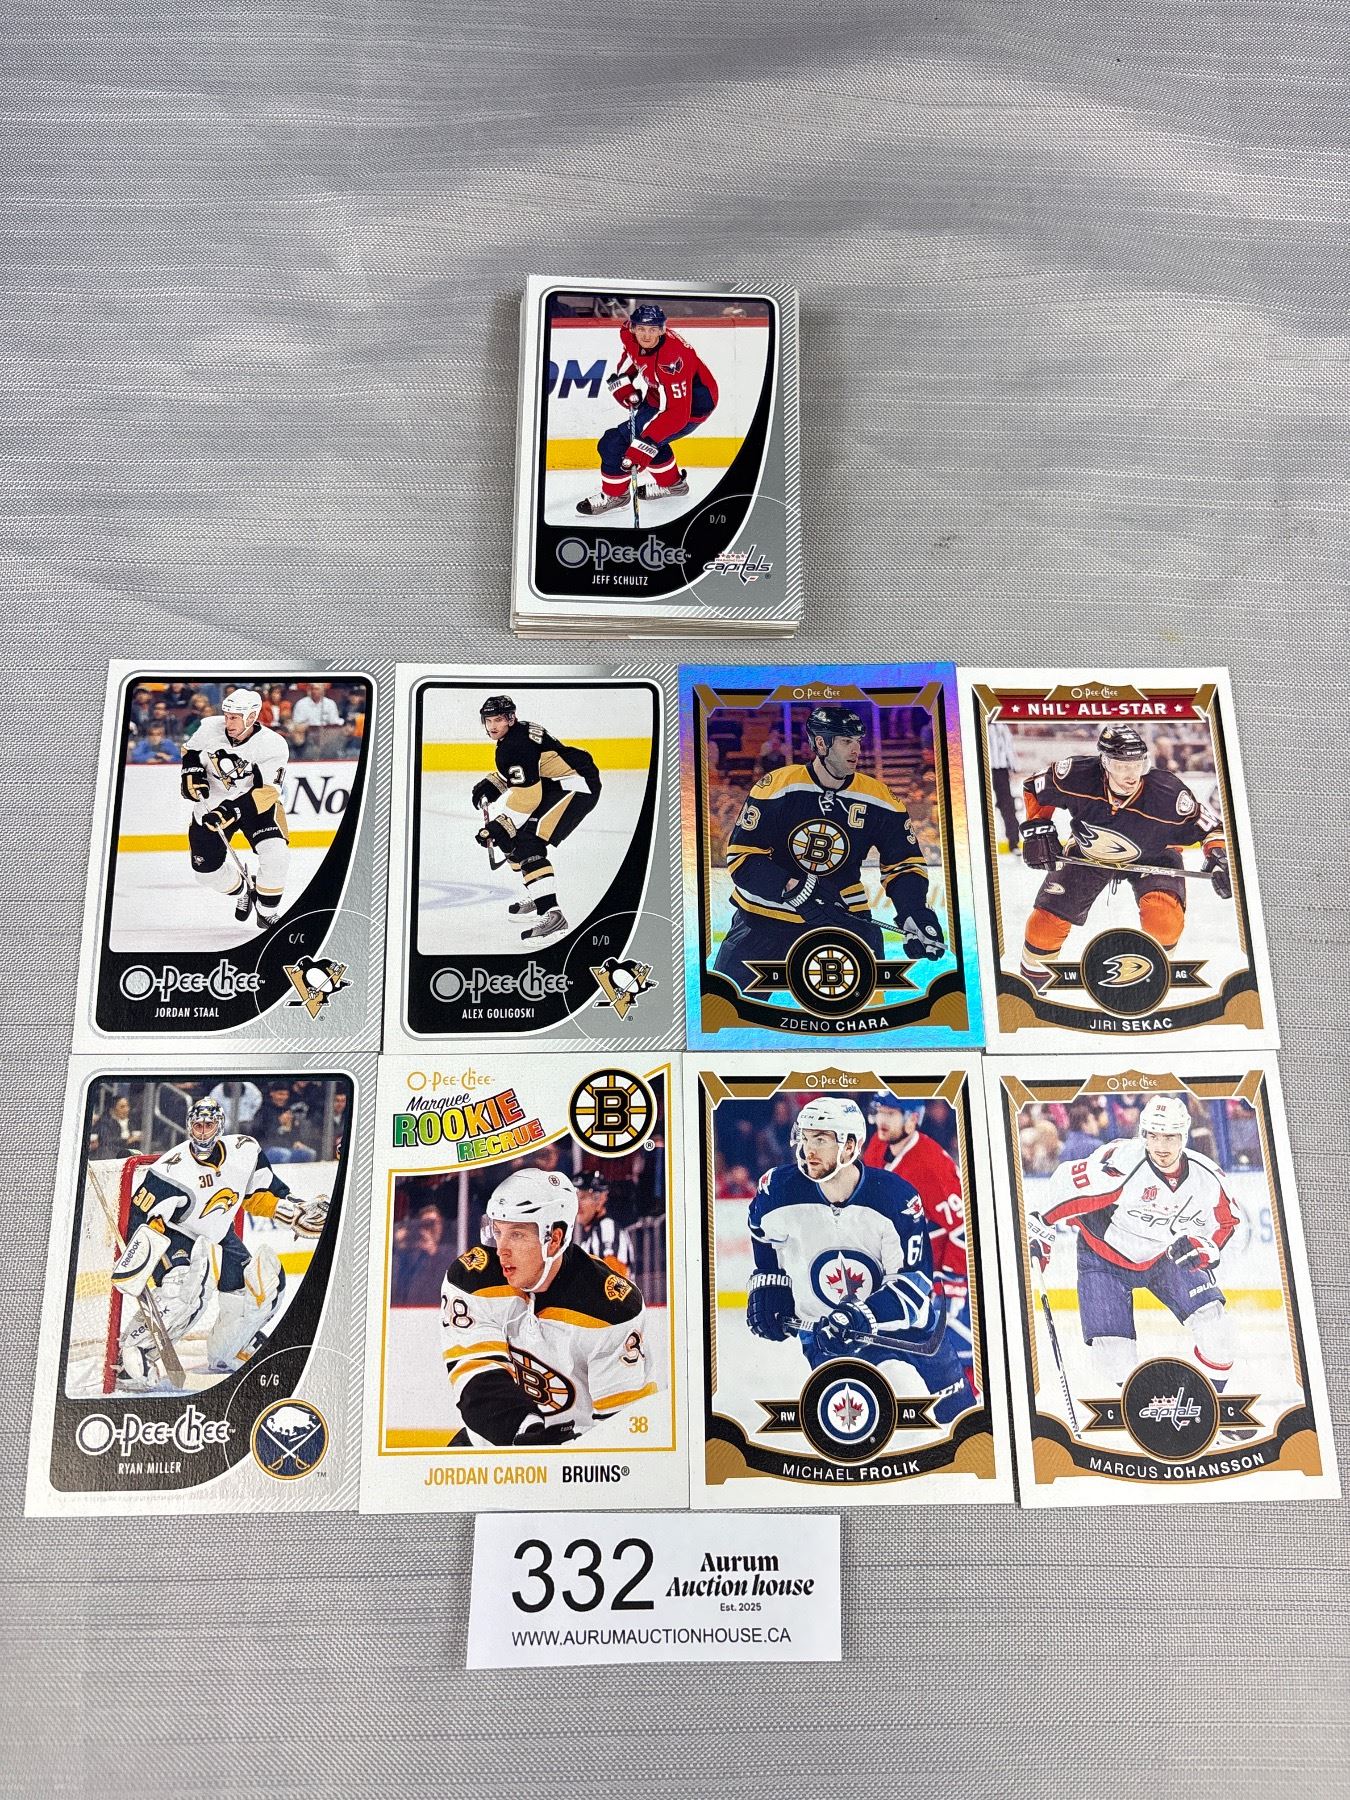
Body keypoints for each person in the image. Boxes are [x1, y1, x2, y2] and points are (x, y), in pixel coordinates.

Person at [746, 1097, 968, 1426]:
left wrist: (863, 1314)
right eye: (805, 1137)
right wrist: (770, 1279)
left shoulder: (898, 1196)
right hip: (826, 1334)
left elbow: (915, 1281)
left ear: (850, 1146)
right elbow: (761, 1231)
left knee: (958, 1421)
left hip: (905, 1329)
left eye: (821, 1139)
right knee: (857, 1427)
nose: (808, 1149)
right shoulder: (777, 1190)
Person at [713, 705, 945, 998]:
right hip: (763, 919)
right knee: (725, 1007)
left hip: (844, 917)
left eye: (858, 741)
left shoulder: (881, 799)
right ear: (821, 744)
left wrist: (914, 911)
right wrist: (793, 887)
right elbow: (742, 857)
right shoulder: (776, 787)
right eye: (846, 741)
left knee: (868, 1016)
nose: (856, 749)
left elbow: (904, 864)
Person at [1027, 1093, 1240, 1391]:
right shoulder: (1122, 1164)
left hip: (1165, 1254)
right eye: (1154, 1136)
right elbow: (1065, 1182)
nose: (1161, 1146)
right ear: (1143, 1135)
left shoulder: (1207, 1177)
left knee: (1219, 1334)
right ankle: (1140, 1407)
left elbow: (1229, 1222)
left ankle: (1206, 1402)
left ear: (1183, 1135)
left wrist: (1207, 1248)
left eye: (1170, 1137)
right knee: (1114, 1360)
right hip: (1103, 1258)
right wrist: (1041, 1224)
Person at [109, 1098, 327, 1388]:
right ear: (189, 1127)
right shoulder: (170, 1169)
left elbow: (261, 1194)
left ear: (220, 1126)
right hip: (176, 1234)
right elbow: (139, 1217)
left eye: (208, 1125)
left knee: (264, 1284)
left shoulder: (245, 1150)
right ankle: (133, 1354)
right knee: (186, 1287)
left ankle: (229, 1350)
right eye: (197, 1125)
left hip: (218, 1235)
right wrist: (145, 1260)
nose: (202, 1132)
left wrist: (294, 1210)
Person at [441, 1168, 656, 1446]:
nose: (502, 1249)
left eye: (517, 1234)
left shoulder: (610, 1309)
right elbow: (476, 1376)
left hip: (578, 1453)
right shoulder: (472, 1280)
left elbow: (623, 1427)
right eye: (498, 1231)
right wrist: (526, 1434)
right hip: (499, 1440)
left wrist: (561, 1455)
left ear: (554, 1239)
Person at [1018, 724, 1229, 990]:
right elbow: (1035, 786)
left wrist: (1219, 856)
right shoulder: (1076, 774)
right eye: (1121, 766)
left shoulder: (1168, 793)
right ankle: (1032, 989)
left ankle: (1152, 984)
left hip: (1155, 855)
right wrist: (1038, 828)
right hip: (1090, 851)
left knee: (1164, 922)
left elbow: (1210, 827)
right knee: (1043, 926)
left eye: (1137, 765)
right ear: (1104, 763)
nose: (1131, 776)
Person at [471, 694, 602, 942]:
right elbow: (532, 768)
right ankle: (539, 892)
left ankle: (552, 915)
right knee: (515, 837)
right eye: (488, 720)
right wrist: (496, 783)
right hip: (558, 781)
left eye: (498, 719)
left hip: (578, 786)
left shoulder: (513, 746)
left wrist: (502, 825)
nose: (492, 726)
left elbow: (528, 797)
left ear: (510, 719)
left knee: (526, 841)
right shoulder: (518, 733)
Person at [576, 302, 719, 515]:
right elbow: (632, 356)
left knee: (614, 443)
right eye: (641, 329)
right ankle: (673, 485)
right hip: (659, 397)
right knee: (650, 440)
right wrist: (624, 382)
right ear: (633, 327)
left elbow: (676, 414)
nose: (646, 335)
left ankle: (615, 495)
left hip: (692, 407)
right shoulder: (627, 333)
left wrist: (644, 445)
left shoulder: (672, 359)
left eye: (652, 330)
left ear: (662, 330)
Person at [863, 1097, 971, 1379]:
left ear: (912, 1119)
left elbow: (962, 1228)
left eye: (891, 1114)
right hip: (897, 1270)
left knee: (956, 1358)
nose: (882, 1120)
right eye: (879, 1112)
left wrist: (952, 1282)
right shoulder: (877, 1145)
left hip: (935, 1276)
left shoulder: (930, 1163)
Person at [179, 687, 290, 931]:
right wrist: (191, 772)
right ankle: (243, 890)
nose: (227, 723)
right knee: (205, 873)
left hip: (254, 805)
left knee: (276, 854)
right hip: (211, 806)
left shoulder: (273, 744)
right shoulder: (210, 727)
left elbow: (267, 792)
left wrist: (231, 810)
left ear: (251, 717)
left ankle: (267, 912)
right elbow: (190, 751)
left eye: (234, 718)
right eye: (226, 716)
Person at [572, 1169, 633, 1275]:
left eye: (583, 1197)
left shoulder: (607, 1228)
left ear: (600, 1199)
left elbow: (613, 1276)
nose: (577, 1204)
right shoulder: (593, 1233)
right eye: (574, 1198)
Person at [987, 716, 1021, 851]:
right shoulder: (972, 724)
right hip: (980, 769)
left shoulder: (1001, 726)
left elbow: (1009, 747)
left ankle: (1013, 842)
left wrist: (1014, 768)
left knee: (1007, 806)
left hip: (1000, 770)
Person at [92, 1094, 142, 1158]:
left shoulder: (131, 1122)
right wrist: (127, 1140)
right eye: (122, 1107)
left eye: (127, 1106)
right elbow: (107, 1140)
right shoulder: (104, 1123)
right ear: (112, 1110)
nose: (127, 1109)